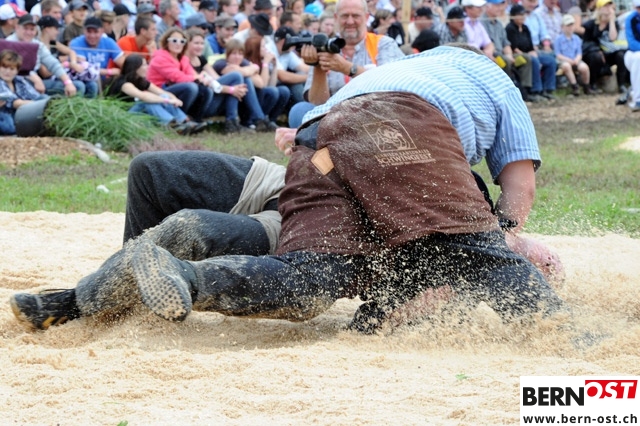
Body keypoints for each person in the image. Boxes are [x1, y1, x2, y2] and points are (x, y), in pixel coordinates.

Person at [10, 45, 565, 334]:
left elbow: (331, 133)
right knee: (480, 255)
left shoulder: (401, 73)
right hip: (389, 127)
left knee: (310, 274)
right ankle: (563, 335)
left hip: (318, 145)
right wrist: (507, 236)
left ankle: (182, 276)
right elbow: (519, 184)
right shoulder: (492, 81)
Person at [288, 0, 404, 127]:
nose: (350, 21)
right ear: (336, 18)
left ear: (366, 17)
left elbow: (391, 86)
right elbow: (317, 102)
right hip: (332, 119)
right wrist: (318, 67)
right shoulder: (324, 46)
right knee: (299, 110)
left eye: (355, 16)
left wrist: (347, 68)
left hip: (373, 115)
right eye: (344, 16)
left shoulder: (383, 44)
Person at [105, 53, 205, 134]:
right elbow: (143, 96)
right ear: (135, 67)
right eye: (144, 65)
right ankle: (173, 125)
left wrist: (174, 99)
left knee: (163, 96)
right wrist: (167, 101)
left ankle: (184, 121)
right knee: (146, 102)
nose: (147, 67)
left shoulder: (140, 81)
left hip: (137, 112)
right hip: (123, 116)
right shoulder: (124, 84)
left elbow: (162, 92)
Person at [185, 28, 254, 133]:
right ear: (187, 43)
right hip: (199, 104)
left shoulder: (201, 59)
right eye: (196, 43)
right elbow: (202, 83)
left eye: (202, 43)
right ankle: (235, 121)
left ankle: (233, 122)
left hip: (212, 99)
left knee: (238, 79)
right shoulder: (184, 60)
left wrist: (231, 88)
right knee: (236, 76)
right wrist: (231, 90)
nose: (200, 46)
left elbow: (216, 79)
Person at [213, 38, 280, 131]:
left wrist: (250, 69)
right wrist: (252, 69)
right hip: (219, 101)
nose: (237, 57)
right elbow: (236, 73)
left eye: (240, 54)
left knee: (250, 81)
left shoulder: (243, 62)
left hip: (240, 100)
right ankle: (258, 119)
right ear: (227, 54)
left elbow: (261, 84)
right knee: (240, 78)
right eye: (233, 53)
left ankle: (257, 119)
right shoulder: (220, 63)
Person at [147, 26, 210, 124]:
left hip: (174, 88)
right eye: (174, 40)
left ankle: (196, 120)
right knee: (191, 87)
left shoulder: (183, 58)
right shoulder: (160, 58)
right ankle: (181, 119)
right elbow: (177, 77)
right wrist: (197, 77)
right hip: (159, 91)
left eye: (182, 41)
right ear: (166, 42)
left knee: (206, 89)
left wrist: (201, 79)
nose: (178, 44)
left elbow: (190, 74)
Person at [36, 15, 99, 98]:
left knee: (92, 85)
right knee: (78, 86)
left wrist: (73, 63)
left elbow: (71, 51)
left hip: (59, 76)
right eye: (56, 29)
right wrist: (65, 63)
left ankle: (89, 105)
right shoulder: (37, 46)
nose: (58, 32)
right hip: (45, 80)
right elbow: (45, 73)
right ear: (47, 29)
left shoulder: (53, 43)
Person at [581, 0, 630, 104]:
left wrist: (611, 21)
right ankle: (592, 84)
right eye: (605, 6)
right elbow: (586, 42)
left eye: (609, 6)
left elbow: (613, 38)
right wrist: (598, 50)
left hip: (609, 52)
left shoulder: (614, 23)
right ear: (599, 9)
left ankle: (621, 84)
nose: (608, 9)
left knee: (621, 55)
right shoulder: (590, 24)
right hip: (594, 53)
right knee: (595, 57)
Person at [0, 49, 48, 135]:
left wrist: (41, 103)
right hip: (4, 112)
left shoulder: (19, 80)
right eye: (4, 67)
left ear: (17, 71)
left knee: (44, 98)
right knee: (9, 127)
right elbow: (15, 103)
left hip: (20, 110)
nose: (7, 71)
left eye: (12, 69)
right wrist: (39, 106)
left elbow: (35, 95)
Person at [69, 16, 126, 81]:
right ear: (84, 31)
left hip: (103, 80)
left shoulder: (108, 42)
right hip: (83, 80)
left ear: (102, 31)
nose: (92, 35)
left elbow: (124, 63)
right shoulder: (76, 43)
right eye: (89, 32)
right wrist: (110, 71)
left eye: (96, 32)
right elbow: (84, 69)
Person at [555, 14, 592, 96]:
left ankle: (586, 86)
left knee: (584, 67)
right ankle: (575, 86)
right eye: (568, 25)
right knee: (566, 66)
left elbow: (579, 53)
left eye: (572, 25)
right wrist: (569, 60)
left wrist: (576, 60)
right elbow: (558, 54)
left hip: (576, 60)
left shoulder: (577, 39)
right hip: (564, 60)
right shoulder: (558, 39)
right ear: (562, 27)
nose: (570, 27)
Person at [625, 0, 640, 111]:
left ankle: (633, 92)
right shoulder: (631, 19)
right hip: (632, 54)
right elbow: (632, 44)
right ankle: (638, 99)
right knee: (639, 57)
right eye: (639, 7)